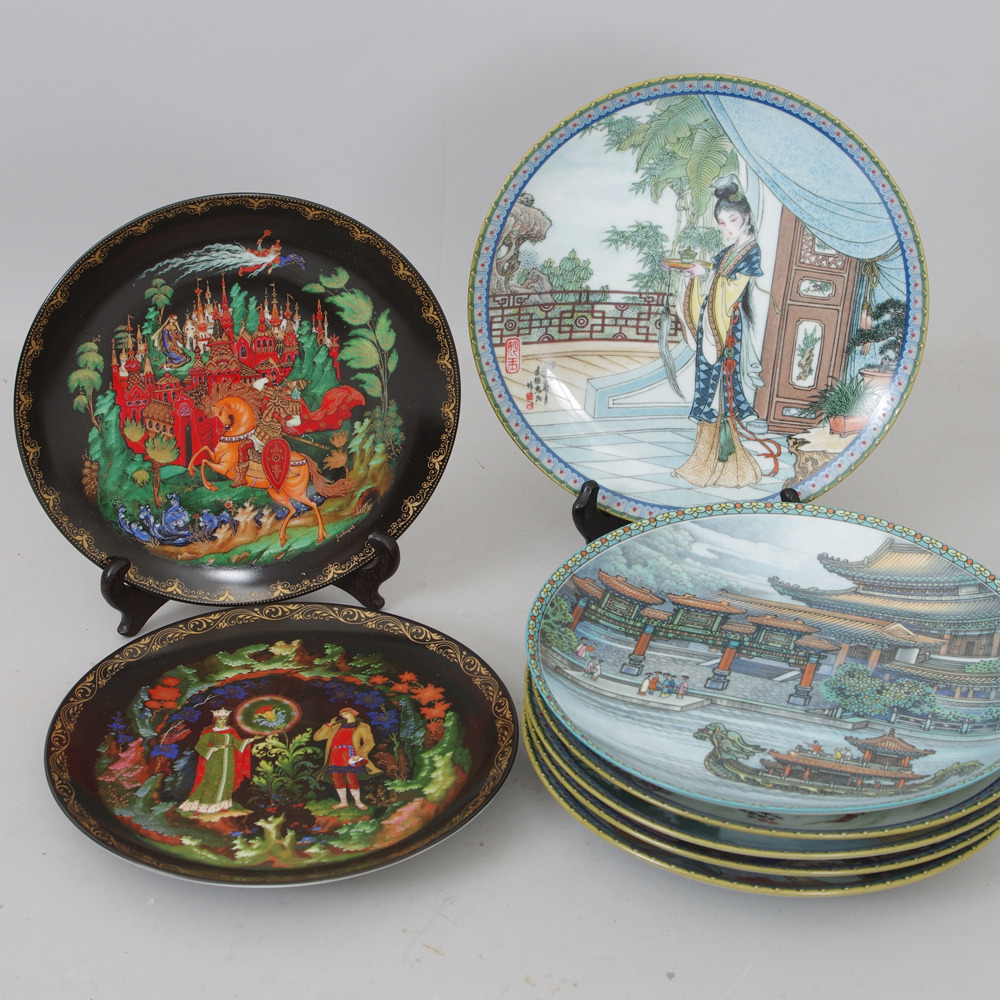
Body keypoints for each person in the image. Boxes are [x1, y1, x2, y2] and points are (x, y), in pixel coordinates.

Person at [670, 175, 776, 488]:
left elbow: (732, 287)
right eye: (722, 222)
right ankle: (701, 465)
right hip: (713, 319)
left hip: (726, 322)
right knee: (709, 379)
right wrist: (696, 274)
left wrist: (708, 275)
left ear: (746, 218)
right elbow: (715, 278)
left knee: (723, 387)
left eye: (733, 220)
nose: (728, 227)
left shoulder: (751, 251)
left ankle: (729, 468)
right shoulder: (728, 251)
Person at [178, 709, 254, 815]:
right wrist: (213, 749)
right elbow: (199, 746)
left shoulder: (230, 731)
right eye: (220, 719)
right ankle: (204, 806)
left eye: (224, 719)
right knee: (212, 781)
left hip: (229, 759)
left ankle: (220, 805)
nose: (223, 721)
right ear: (215, 720)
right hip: (214, 759)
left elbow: (237, 744)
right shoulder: (210, 732)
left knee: (227, 780)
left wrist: (248, 741)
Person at [314, 707, 382, 810]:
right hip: (335, 755)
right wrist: (329, 725)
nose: (344, 716)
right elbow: (317, 737)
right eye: (342, 715)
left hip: (351, 755)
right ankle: (343, 802)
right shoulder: (336, 726)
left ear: (352, 713)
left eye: (346, 714)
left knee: (351, 778)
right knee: (336, 778)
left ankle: (358, 802)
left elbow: (369, 742)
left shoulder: (362, 726)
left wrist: (361, 754)